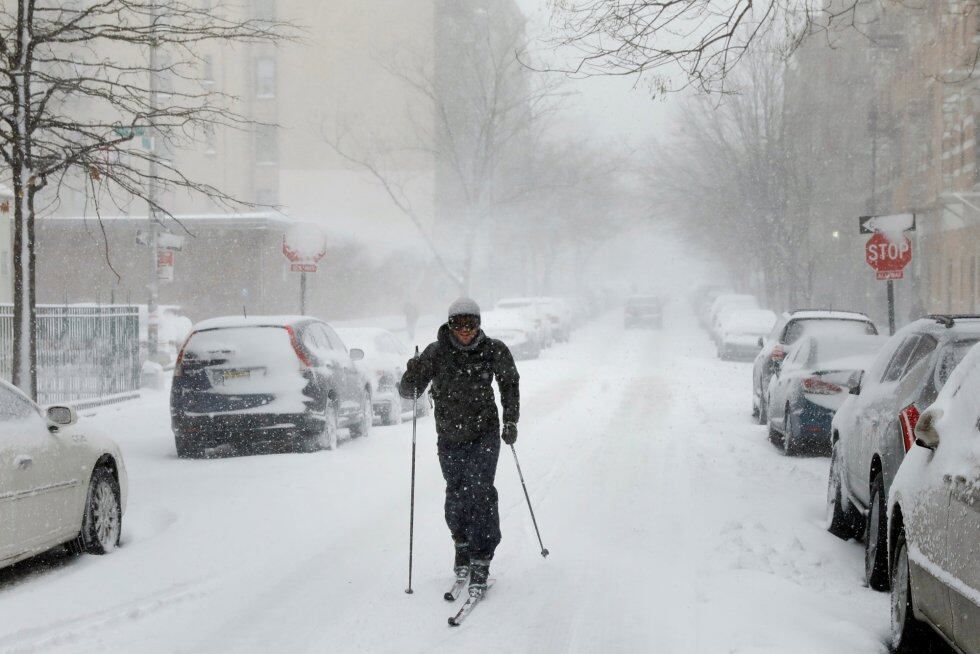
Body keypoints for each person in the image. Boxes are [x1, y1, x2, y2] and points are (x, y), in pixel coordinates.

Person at [399, 297, 520, 596]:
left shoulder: (494, 349)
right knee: (456, 492)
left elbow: (509, 384)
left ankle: (482, 558)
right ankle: (461, 546)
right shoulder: (436, 352)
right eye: (458, 324)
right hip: (450, 435)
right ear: (449, 325)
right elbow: (408, 391)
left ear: (479, 324)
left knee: (480, 492)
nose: (465, 330)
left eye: (471, 323)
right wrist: (412, 372)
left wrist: (510, 421)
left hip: (485, 433)